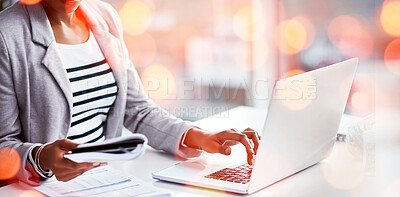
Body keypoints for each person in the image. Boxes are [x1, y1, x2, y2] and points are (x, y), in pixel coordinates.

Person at [0, 0, 260, 185]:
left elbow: (137, 109)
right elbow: (4, 145)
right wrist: (42, 157)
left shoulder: (104, 17)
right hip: (48, 187)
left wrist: (200, 136)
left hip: (109, 180)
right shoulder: (7, 34)